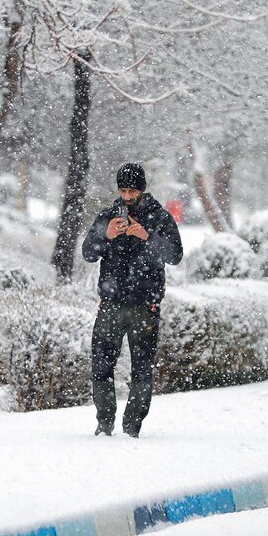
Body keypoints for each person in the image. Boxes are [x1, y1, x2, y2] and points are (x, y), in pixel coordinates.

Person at [81, 162, 183, 437]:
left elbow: (174, 255)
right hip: (111, 304)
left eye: (132, 190)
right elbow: (88, 252)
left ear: (142, 189)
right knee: (101, 365)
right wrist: (107, 235)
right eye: (123, 190)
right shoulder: (108, 216)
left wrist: (146, 236)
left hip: (144, 305)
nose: (127, 196)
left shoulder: (158, 217)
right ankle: (104, 423)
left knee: (142, 369)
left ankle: (131, 427)